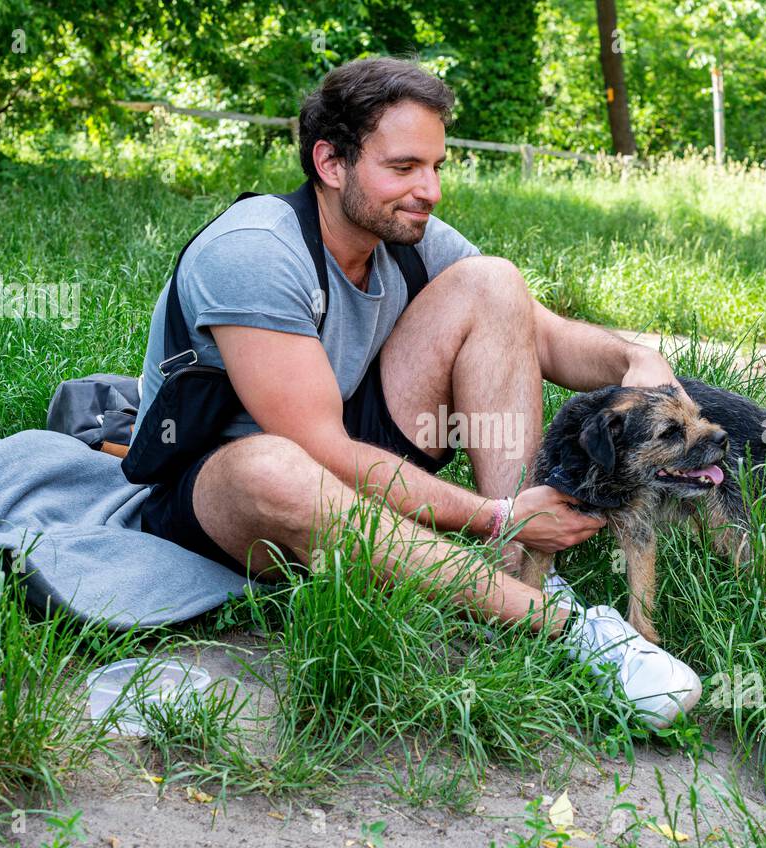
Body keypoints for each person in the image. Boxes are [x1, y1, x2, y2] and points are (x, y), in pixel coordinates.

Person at [132, 56, 702, 729]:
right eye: (403, 168)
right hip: (222, 490)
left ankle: (522, 571)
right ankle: (561, 625)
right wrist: (496, 512)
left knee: (494, 282)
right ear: (331, 163)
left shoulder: (404, 233)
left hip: (348, 445)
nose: (428, 189)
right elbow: (318, 448)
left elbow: (541, 336)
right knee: (274, 466)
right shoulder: (256, 252)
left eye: (436, 166)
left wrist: (635, 358)